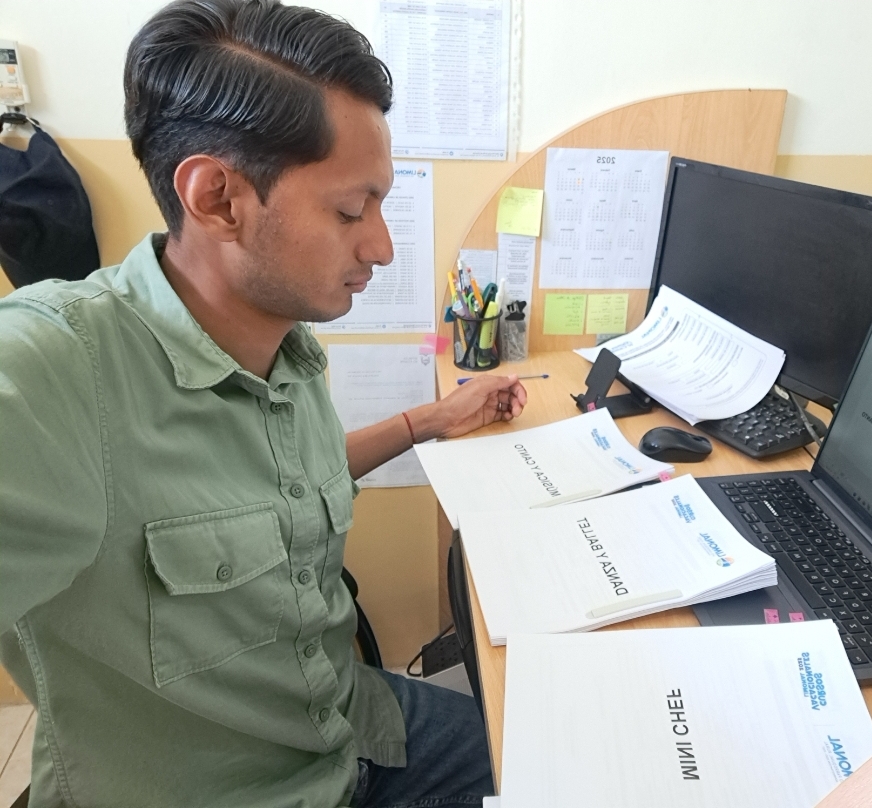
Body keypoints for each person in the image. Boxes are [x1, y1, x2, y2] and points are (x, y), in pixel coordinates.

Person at [0, 1, 526, 806]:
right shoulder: (54, 372)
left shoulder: (280, 339)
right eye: (350, 210)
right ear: (217, 199)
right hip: (236, 789)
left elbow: (267, 491)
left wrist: (426, 422)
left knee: (566, 751)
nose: (382, 246)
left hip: (348, 725)